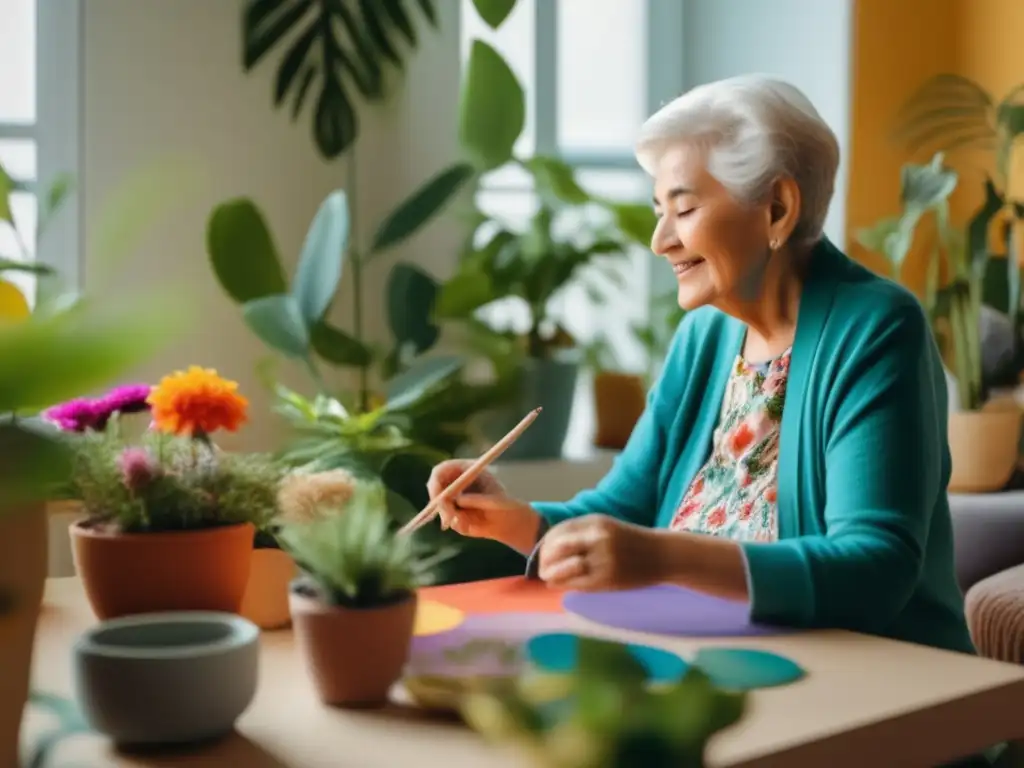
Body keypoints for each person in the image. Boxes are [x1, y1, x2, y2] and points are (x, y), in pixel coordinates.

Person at [426, 74, 974, 657]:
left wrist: (661, 556)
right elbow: (618, 513)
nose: (660, 240)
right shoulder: (704, 336)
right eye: (660, 211)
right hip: (714, 656)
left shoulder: (876, 327)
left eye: (683, 209)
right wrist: (510, 519)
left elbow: (875, 569)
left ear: (777, 208)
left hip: (879, 677)